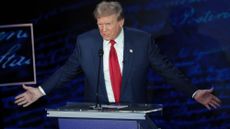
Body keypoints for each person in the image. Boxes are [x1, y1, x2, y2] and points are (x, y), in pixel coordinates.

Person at [15, 1, 221, 110]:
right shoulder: (85, 42)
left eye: (108, 24)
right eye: (99, 24)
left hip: (134, 113)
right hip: (97, 115)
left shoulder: (142, 41)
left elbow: (167, 71)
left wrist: (194, 93)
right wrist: (40, 91)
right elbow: (67, 70)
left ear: (121, 22)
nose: (103, 30)